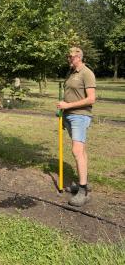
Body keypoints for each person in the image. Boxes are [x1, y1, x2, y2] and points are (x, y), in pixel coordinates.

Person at [57, 47, 96, 207]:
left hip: (80, 116)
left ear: (79, 57)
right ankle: (84, 183)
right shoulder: (71, 73)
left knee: (77, 151)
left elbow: (91, 99)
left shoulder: (87, 73)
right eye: (68, 57)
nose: (69, 59)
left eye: (71, 57)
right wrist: (62, 109)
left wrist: (68, 105)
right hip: (69, 115)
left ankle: (83, 191)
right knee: (81, 151)